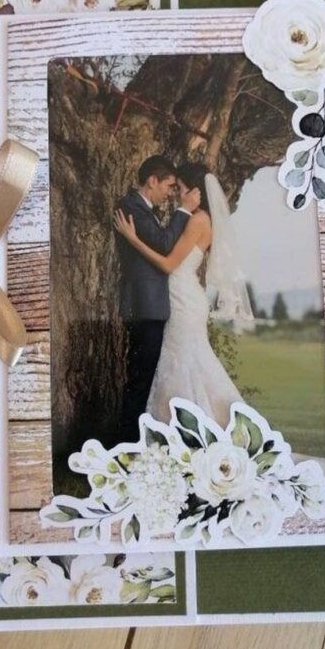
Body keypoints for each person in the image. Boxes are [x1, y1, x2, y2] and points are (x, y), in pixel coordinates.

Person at [114, 162, 252, 428]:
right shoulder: (198, 218)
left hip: (183, 300)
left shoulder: (198, 220)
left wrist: (133, 240)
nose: (177, 193)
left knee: (185, 363)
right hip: (181, 297)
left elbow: (168, 264)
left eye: (181, 188)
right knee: (182, 364)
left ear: (195, 191)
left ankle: (192, 425)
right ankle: (178, 426)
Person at [114, 155, 200, 442]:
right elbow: (164, 244)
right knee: (140, 378)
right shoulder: (130, 207)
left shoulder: (143, 209)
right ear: (152, 180)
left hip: (149, 304)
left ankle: (133, 438)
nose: (170, 192)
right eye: (169, 185)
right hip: (143, 305)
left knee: (144, 375)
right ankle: (128, 442)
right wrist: (185, 211)